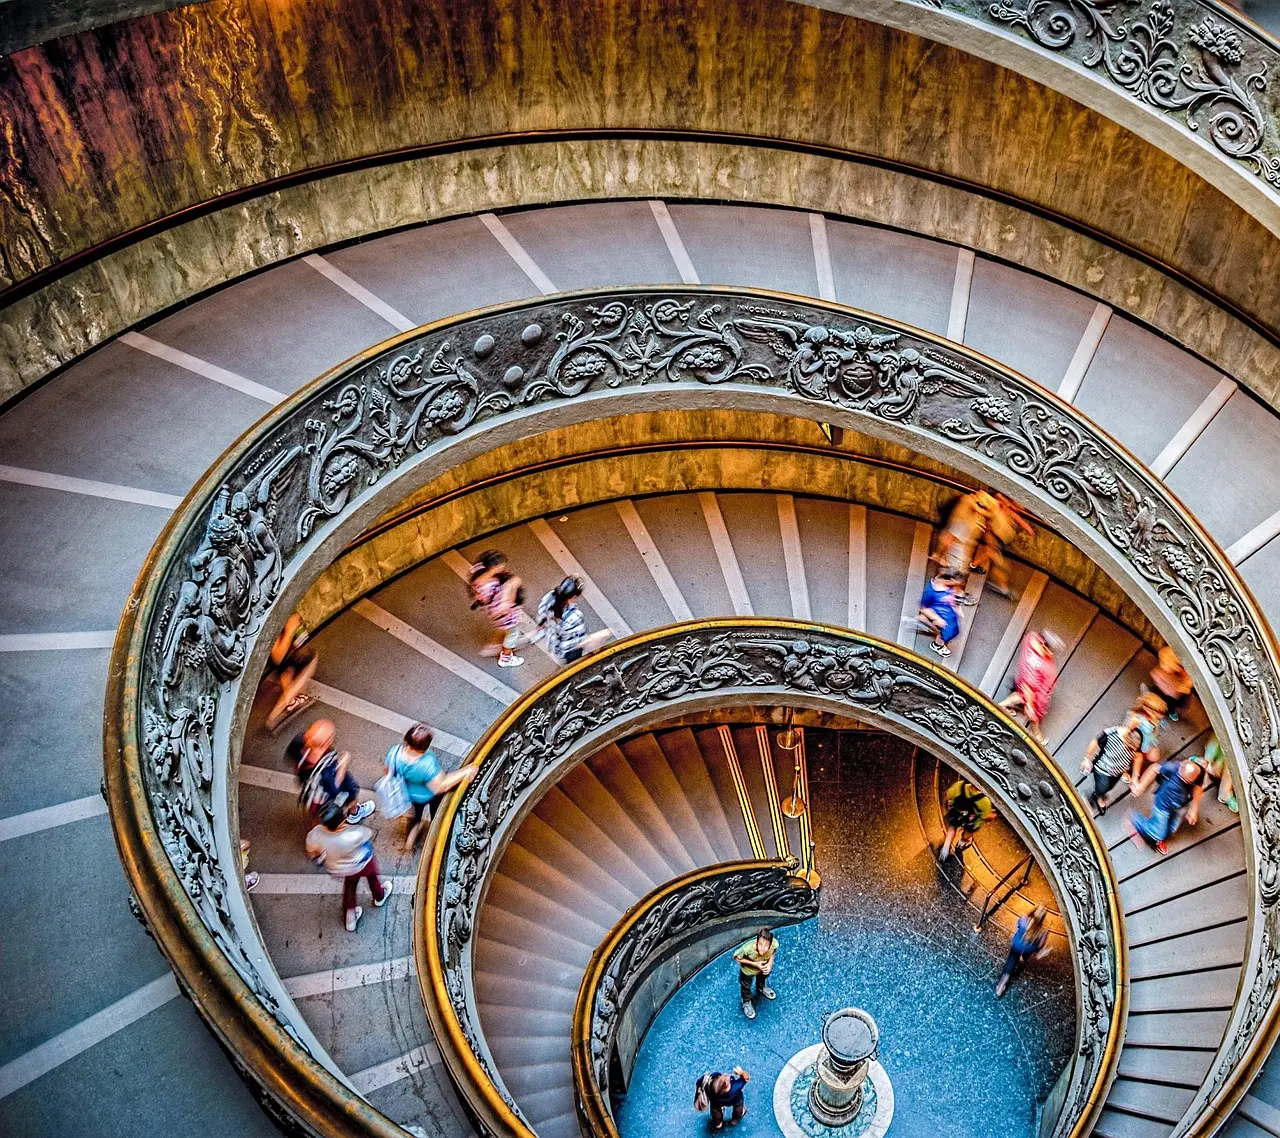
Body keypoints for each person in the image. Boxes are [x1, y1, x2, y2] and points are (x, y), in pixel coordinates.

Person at [385, 723, 477, 851]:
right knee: (437, 814)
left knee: (416, 815)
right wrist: (465, 772)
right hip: (430, 795)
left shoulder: (394, 753)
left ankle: (410, 839)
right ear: (425, 747)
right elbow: (439, 786)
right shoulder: (426, 764)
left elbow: (388, 771)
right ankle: (436, 835)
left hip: (410, 794)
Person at [305, 800, 391, 932]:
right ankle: (379, 896)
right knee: (372, 878)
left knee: (350, 887)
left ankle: (350, 917)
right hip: (362, 863)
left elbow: (312, 851)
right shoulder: (353, 834)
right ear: (342, 818)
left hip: (340, 868)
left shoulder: (317, 834)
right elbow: (367, 834)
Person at [295, 719, 375, 823]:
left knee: (319, 814)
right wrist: (343, 764)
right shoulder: (326, 768)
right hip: (327, 798)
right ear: (326, 742)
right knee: (351, 796)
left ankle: (319, 827)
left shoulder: (299, 746)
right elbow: (335, 788)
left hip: (312, 795)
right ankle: (354, 814)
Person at [998, 629, 1064, 743]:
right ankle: (1037, 736)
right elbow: (1028, 687)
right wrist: (1030, 705)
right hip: (1031, 692)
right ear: (1044, 646)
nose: (1051, 654)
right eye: (1050, 650)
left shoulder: (1031, 639)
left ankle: (1001, 706)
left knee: (1020, 695)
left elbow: (1032, 635)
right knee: (1032, 712)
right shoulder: (1035, 664)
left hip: (1022, 683)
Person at [1129, 758, 1205, 855]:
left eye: (1186, 780)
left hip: (1178, 806)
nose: (1181, 779)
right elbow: (1154, 768)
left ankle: (1159, 836)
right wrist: (1141, 786)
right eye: (1180, 776)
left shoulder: (1199, 772)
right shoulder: (1173, 767)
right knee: (1158, 832)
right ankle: (1135, 821)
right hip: (1163, 805)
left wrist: (1194, 808)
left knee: (1172, 828)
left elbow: (1198, 787)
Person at [932, 491, 996, 602]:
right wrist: (939, 554)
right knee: (954, 576)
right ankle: (944, 592)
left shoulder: (972, 514)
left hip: (961, 553)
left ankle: (953, 592)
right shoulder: (962, 519)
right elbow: (949, 538)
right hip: (956, 555)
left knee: (956, 575)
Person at [535, 576, 614, 665]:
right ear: (574, 596)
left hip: (551, 641)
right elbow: (578, 641)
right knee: (575, 663)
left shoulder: (549, 597)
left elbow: (542, 614)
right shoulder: (574, 617)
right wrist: (598, 637)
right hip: (566, 650)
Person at [971, 493, 1034, 598]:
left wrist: (1027, 527)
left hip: (1000, 538)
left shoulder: (1009, 510)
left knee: (992, 555)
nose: (1022, 508)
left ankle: (974, 565)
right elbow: (998, 495)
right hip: (996, 536)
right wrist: (1009, 505)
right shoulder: (1000, 505)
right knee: (999, 562)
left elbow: (1017, 517)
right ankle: (1002, 587)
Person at [1081, 715, 1147, 815]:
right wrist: (1087, 759)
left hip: (1117, 772)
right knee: (1103, 786)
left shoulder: (1136, 740)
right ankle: (1092, 798)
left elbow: (1138, 757)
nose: (1130, 750)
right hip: (1103, 768)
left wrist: (1135, 778)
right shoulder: (1113, 733)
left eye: (1132, 749)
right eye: (1129, 747)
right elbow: (1096, 741)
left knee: (1109, 787)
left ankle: (1100, 795)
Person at [469, 550, 525, 668]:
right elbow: (504, 607)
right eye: (500, 565)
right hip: (504, 615)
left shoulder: (478, 575)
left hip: (492, 612)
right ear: (493, 567)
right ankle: (506, 657)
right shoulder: (490, 585)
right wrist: (512, 587)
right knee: (513, 633)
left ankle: (495, 644)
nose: (503, 566)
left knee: (504, 629)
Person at [264, 613, 318, 732]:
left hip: (293, 660)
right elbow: (277, 657)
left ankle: (293, 701)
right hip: (291, 661)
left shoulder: (290, 616)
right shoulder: (273, 628)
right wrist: (290, 630)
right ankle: (274, 715)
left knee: (289, 677)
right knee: (307, 668)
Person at [996, 906, 1050, 998]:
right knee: (1024, 957)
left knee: (1011, 961)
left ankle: (1002, 984)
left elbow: (1017, 926)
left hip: (1017, 945)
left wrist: (1015, 936)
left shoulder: (1024, 919)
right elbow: (1040, 945)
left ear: (1033, 911)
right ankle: (1021, 962)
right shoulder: (1043, 931)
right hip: (1029, 949)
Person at [940, 778, 994, 859]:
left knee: (952, 827)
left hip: (957, 813)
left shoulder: (960, 785)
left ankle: (945, 849)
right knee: (968, 832)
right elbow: (985, 817)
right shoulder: (984, 801)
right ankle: (960, 844)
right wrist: (992, 816)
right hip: (971, 820)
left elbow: (949, 795)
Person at [732, 928, 778, 1020]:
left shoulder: (774, 944)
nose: (763, 948)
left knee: (762, 979)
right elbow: (736, 957)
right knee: (746, 987)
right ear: (756, 942)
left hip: (763, 968)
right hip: (748, 971)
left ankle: (761, 988)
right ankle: (746, 1002)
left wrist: (769, 964)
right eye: (760, 944)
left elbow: (773, 951)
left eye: (766, 946)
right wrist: (755, 964)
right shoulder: (747, 948)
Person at [918, 570, 964, 657]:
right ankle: (937, 645)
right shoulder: (930, 592)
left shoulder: (948, 586)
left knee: (952, 630)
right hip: (941, 617)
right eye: (954, 583)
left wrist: (957, 607)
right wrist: (937, 618)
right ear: (947, 580)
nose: (956, 586)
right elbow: (923, 608)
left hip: (948, 614)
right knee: (945, 633)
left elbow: (953, 595)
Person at [1125, 692, 1167, 787]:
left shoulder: (1154, 718)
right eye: (1157, 714)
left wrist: (1152, 742)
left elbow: (1154, 730)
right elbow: (1127, 731)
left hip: (1147, 742)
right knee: (1137, 759)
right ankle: (1131, 776)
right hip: (1136, 743)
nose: (1159, 717)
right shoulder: (1136, 718)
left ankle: (1136, 770)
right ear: (1147, 709)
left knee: (1154, 757)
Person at [1150, 645, 1193, 722]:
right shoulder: (1172, 657)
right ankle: (1167, 711)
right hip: (1166, 687)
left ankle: (1170, 711)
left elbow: (1188, 685)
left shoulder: (1191, 670)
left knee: (1175, 703)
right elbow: (1164, 655)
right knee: (1166, 703)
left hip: (1176, 691)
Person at [1195, 736, 1237, 815]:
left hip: (1221, 757)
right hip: (1216, 760)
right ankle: (1224, 794)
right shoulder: (1209, 757)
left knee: (1228, 765)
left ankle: (1225, 794)